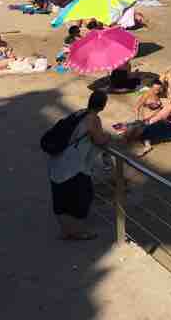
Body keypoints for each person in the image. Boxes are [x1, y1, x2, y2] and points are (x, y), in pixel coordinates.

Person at [48, 91, 111, 241]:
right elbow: (99, 140)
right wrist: (108, 136)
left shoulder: (79, 113)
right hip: (73, 166)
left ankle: (66, 231)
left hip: (58, 160)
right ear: (103, 105)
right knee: (83, 197)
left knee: (60, 200)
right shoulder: (93, 119)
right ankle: (79, 232)